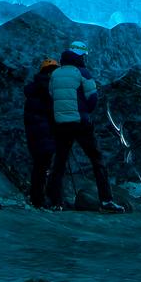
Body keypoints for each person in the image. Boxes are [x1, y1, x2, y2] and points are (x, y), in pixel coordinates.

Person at [42, 40, 124, 212]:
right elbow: (92, 98)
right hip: (80, 123)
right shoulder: (82, 73)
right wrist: (85, 112)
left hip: (61, 124)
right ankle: (106, 201)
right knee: (97, 160)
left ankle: (56, 202)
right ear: (80, 55)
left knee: (59, 163)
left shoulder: (55, 74)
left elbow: (51, 97)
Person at [23, 57, 60, 207]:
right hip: (47, 133)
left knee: (39, 166)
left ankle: (36, 198)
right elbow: (52, 113)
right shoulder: (49, 90)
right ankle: (42, 199)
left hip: (34, 135)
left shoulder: (33, 90)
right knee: (45, 166)